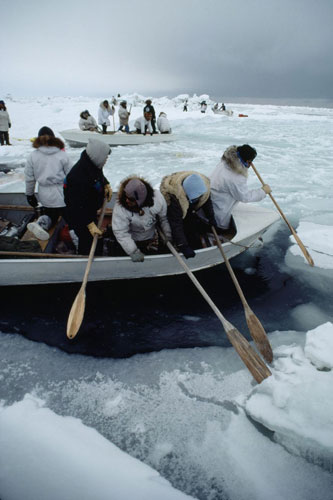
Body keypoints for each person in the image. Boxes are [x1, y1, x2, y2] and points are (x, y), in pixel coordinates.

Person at [63, 138, 112, 255]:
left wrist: (106, 184)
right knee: (87, 240)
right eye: (105, 157)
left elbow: (99, 174)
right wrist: (89, 224)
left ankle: (97, 255)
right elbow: (77, 206)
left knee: (95, 239)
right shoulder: (77, 177)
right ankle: (84, 260)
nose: (106, 160)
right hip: (78, 216)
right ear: (97, 155)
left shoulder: (92, 164)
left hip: (89, 211)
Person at [25, 126, 72, 240]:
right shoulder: (62, 155)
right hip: (62, 194)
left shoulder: (33, 156)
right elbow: (71, 176)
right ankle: (76, 240)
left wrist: (30, 194)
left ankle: (41, 224)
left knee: (50, 215)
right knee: (71, 219)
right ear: (54, 139)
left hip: (44, 194)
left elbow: (30, 178)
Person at [210, 144, 271, 230]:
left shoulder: (225, 162)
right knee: (220, 225)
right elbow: (244, 197)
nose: (250, 165)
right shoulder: (235, 177)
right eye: (250, 162)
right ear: (246, 160)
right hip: (219, 210)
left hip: (211, 203)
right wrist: (263, 191)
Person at [112, 176, 172, 262]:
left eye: (131, 199)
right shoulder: (121, 209)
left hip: (152, 237)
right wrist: (133, 251)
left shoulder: (157, 199)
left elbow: (164, 219)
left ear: (141, 199)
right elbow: (121, 232)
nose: (127, 201)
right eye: (126, 196)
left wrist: (168, 236)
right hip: (132, 239)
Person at [160, 171, 217, 259]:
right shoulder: (174, 198)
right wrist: (183, 245)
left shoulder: (203, 186)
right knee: (183, 227)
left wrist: (211, 217)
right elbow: (176, 223)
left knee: (193, 225)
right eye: (195, 199)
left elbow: (206, 201)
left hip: (188, 204)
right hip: (177, 208)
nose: (198, 200)